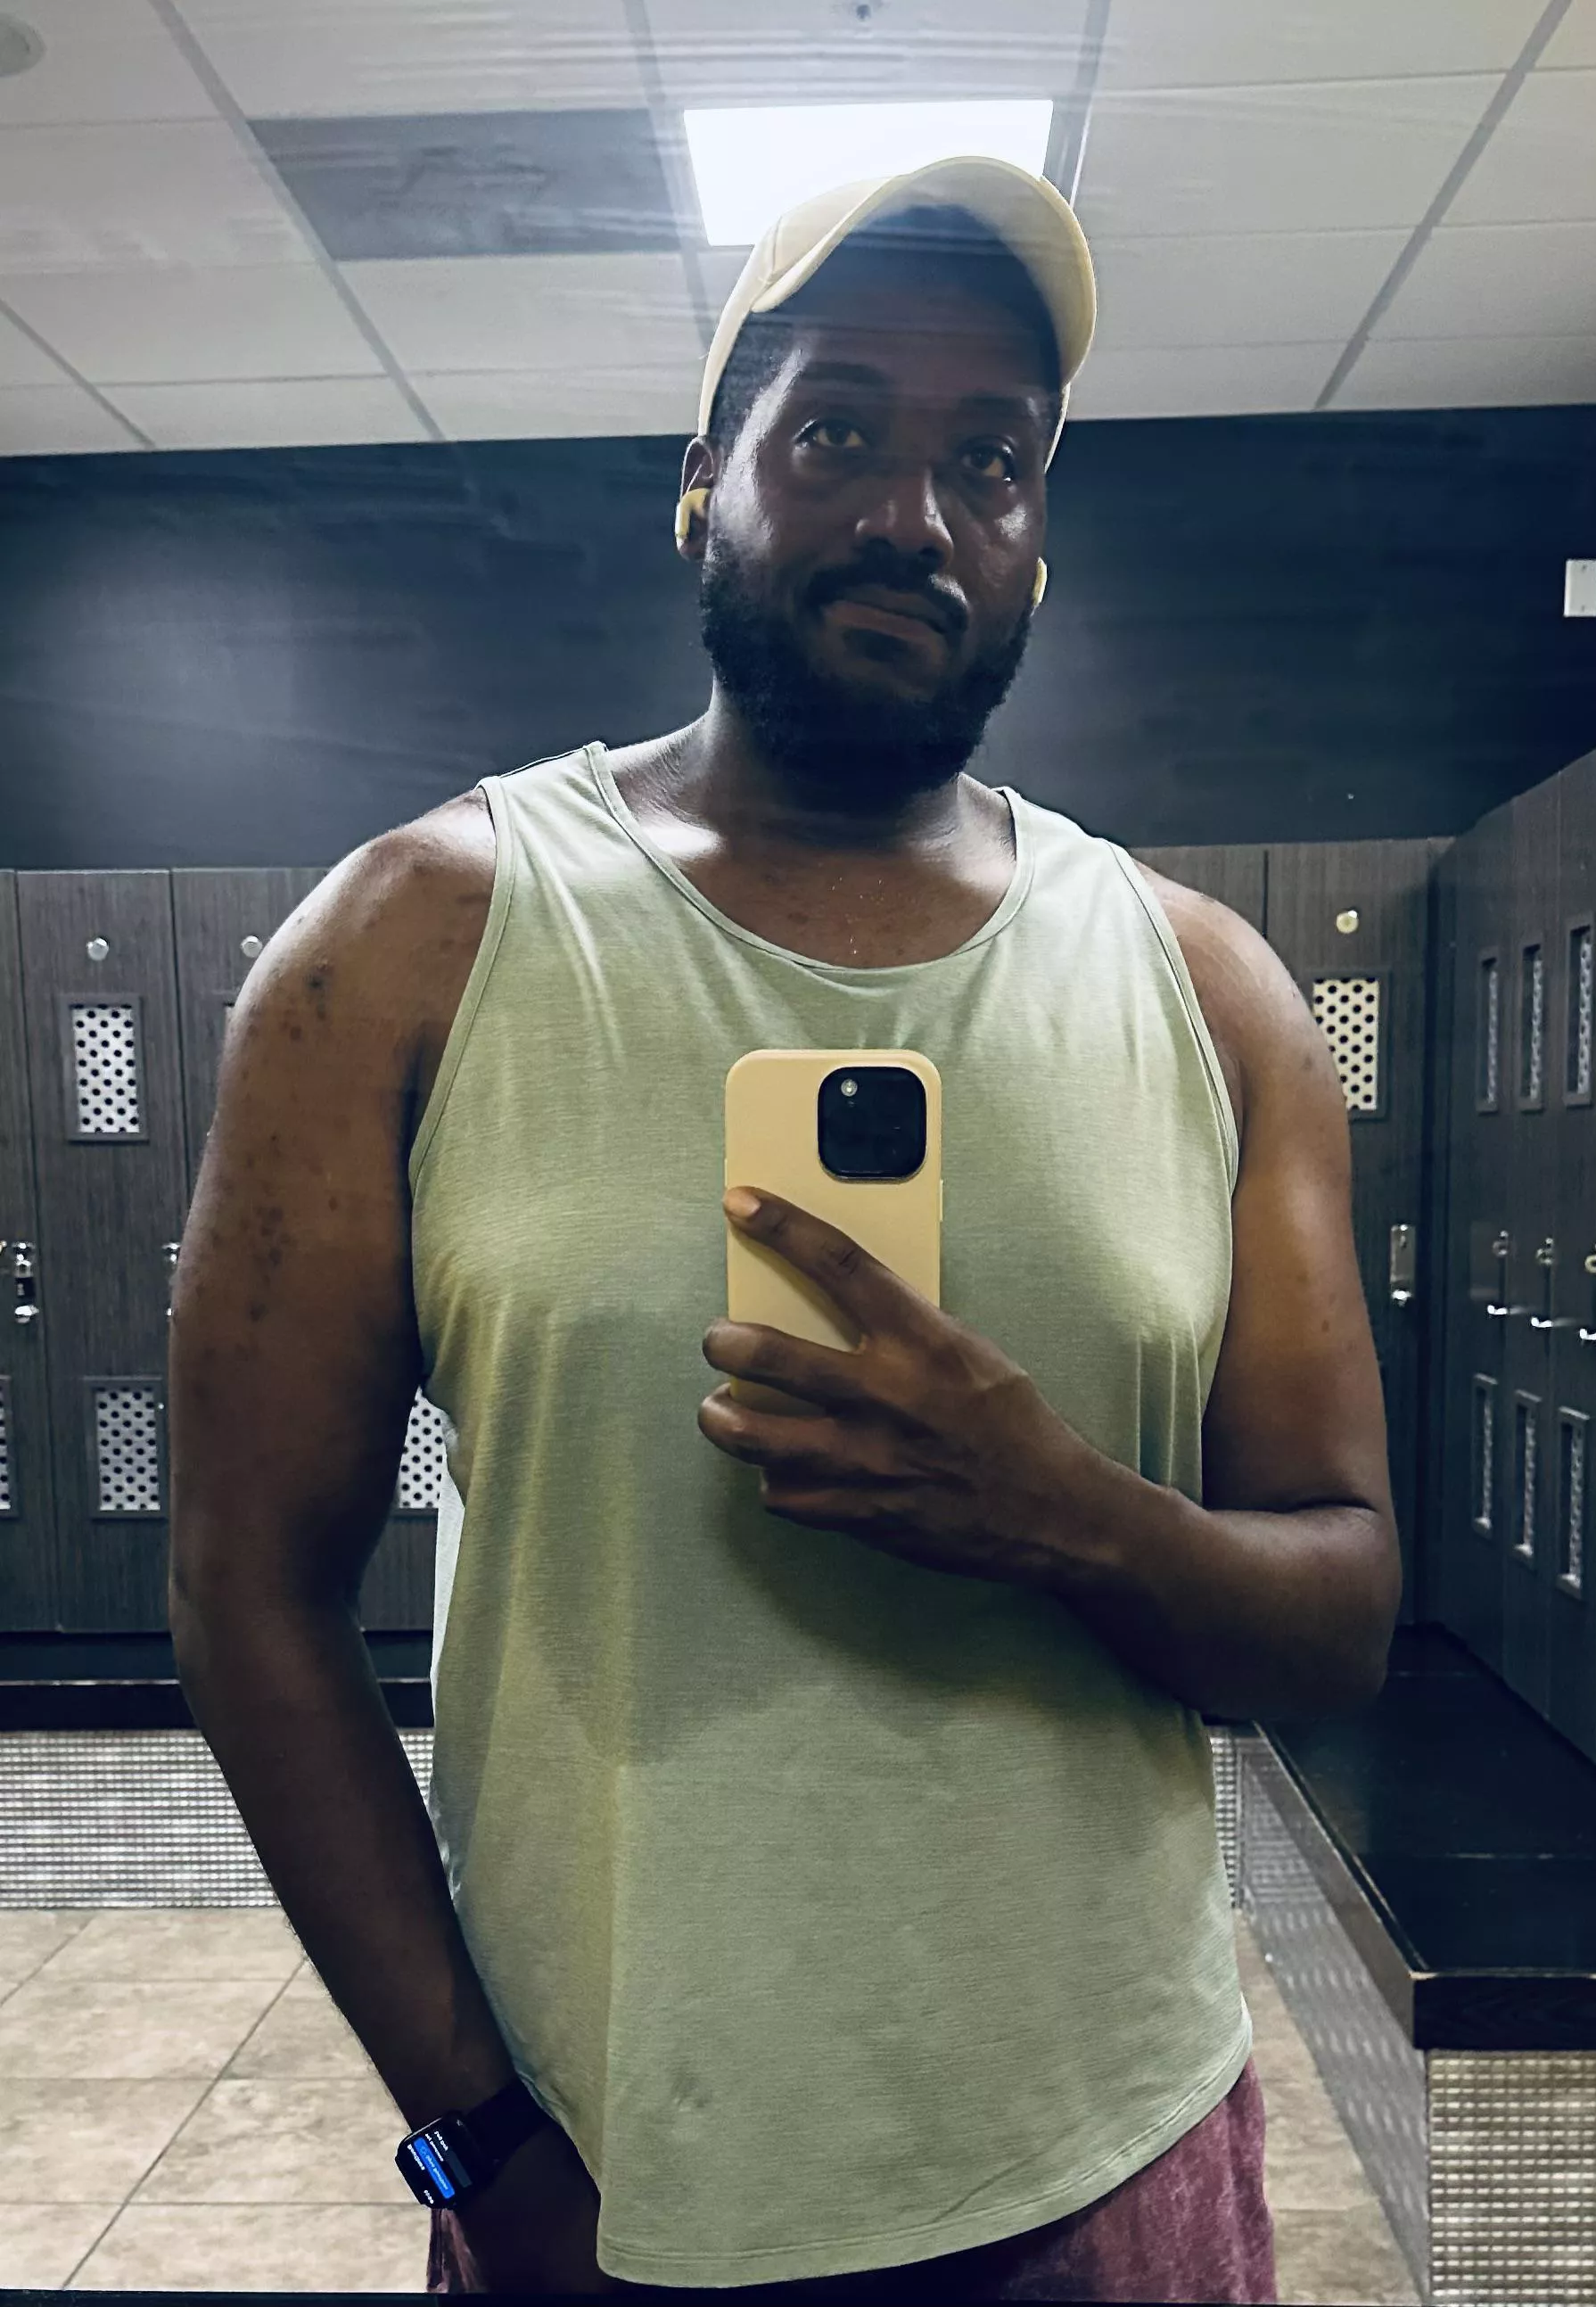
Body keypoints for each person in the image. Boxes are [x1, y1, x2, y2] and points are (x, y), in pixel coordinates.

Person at [169, 157, 1399, 2303]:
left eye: (988, 461)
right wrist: (475, 2144)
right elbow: (245, 1593)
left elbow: (1340, 1610)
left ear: (1031, 539)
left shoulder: (1210, 994)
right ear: (701, 483)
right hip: (611, 2181)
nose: (911, 514)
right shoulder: (406, 948)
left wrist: (1054, 1512)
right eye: (836, 430)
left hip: (1111, 2169)